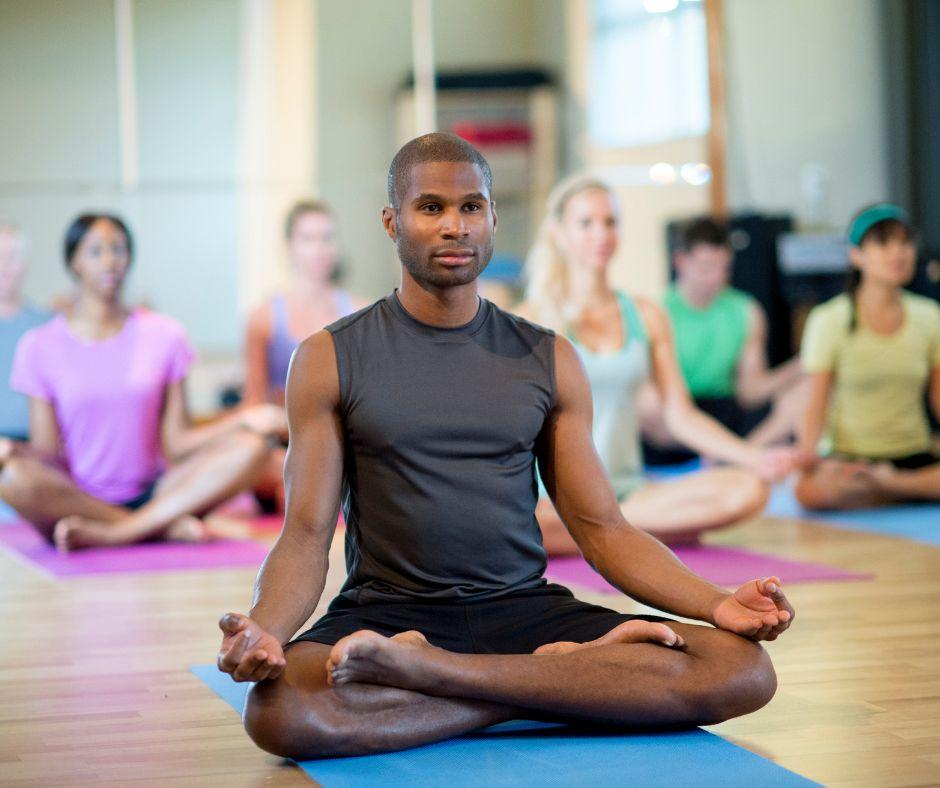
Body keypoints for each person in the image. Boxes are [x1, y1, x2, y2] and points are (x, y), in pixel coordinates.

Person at [215, 133, 794, 761]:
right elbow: (303, 535)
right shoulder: (328, 357)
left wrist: (716, 604)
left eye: (471, 207)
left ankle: (436, 675)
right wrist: (267, 632)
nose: (454, 226)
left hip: (524, 611)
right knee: (278, 711)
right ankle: (556, 685)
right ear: (392, 221)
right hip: (390, 613)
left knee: (741, 668)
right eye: (430, 208)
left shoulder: (548, 357)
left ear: (492, 218)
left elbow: (603, 529)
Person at [515, 176, 796, 553]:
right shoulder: (528, 321)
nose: (601, 233)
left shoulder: (646, 315)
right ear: (559, 232)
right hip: (552, 498)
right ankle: (627, 533)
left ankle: (605, 532)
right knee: (514, 519)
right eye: (586, 223)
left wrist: (754, 457)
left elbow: (680, 415)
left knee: (748, 490)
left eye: (610, 222)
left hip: (628, 494)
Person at [0, 213, 286, 550]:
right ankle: (158, 528)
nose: (109, 261)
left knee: (253, 448)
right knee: (14, 478)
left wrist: (242, 419)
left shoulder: (164, 334)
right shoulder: (40, 345)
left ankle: (118, 532)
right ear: (74, 262)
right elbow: (49, 452)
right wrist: (13, 449)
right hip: (79, 495)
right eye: (95, 251)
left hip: (159, 491)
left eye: (118, 249)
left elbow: (178, 442)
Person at [794, 204, 940, 508]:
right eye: (883, 243)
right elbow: (815, 406)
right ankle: (899, 490)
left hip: (912, 455)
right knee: (807, 491)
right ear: (856, 255)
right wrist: (808, 460)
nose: (897, 252)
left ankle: (891, 486)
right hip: (851, 460)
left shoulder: (930, 317)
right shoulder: (829, 319)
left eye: (904, 242)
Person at [642, 218, 807, 463]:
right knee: (646, 401)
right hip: (678, 417)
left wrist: (803, 365)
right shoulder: (656, 311)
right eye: (707, 268)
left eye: (724, 268)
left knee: (809, 388)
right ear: (681, 262)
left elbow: (750, 392)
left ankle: (738, 455)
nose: (716, 278)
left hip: (728, 411)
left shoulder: (746, 310)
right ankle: (730, 454)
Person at [243, 200, 364, 512]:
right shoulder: (264, 318)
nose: (319, 249)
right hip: (286, 442)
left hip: (344, 440)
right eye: (308, 239)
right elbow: (253, 405)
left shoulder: (360, 312)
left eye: (327, 238)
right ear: (290, 247)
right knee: (261, 461)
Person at [0, 224, 50, 442]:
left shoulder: (48, 327)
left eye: (11, 258)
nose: (3, 267)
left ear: (24, 265)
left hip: (32, 452)